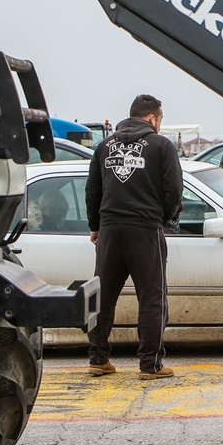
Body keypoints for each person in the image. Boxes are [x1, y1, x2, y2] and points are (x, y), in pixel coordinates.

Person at [85, 94, 183, 380]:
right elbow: (173, 189)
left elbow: (92, 190)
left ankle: (97, 358)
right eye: (160, 120)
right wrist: (162, 219)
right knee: (152, 297)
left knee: (100, 296)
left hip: (110, 230)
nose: (160, 126)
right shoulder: (161, 145)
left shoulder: (104, 146)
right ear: (152, 118)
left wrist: (96, 226)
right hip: (145, 230)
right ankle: (150, 364)